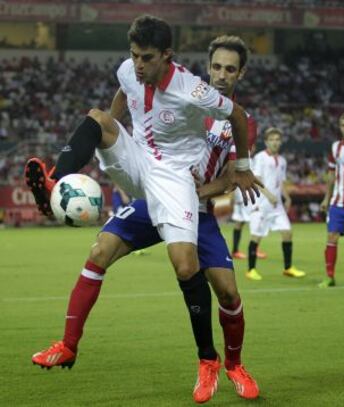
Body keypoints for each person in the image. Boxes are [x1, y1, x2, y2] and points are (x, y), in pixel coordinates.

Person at [25, 17, 261, 404]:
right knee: (99, 248)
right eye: (216, 66)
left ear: (241, 73)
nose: (221, 75)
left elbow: (232, 173)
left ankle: (229, 364)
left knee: (226, 292)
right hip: (151, 179)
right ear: (208, 65)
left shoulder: (218, 110)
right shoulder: (141, 75)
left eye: (229, 69)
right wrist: (118, 143)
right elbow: (123, 93)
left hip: (189, 202)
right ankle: (55, 185)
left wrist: (236, 173)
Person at [246, 127, 306, 281]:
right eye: (271, 140)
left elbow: (281, 183)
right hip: (262, 204)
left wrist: (287, 197)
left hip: (277, 205)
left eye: (277, 140)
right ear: (266, 142)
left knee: (287, 232)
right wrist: (269, 195)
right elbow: (256, 180)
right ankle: (251, 269)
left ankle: (288, 268)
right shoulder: (260, 158)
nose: (274, 142)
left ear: (280, 142)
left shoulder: (282, 160)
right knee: (256, 237)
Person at [319, 112, 344, 288]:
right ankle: (330, 277)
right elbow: (331, 174)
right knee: (332, 237)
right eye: (343, 125)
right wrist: (326, 198)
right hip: (338, 203)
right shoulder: (336, 147)